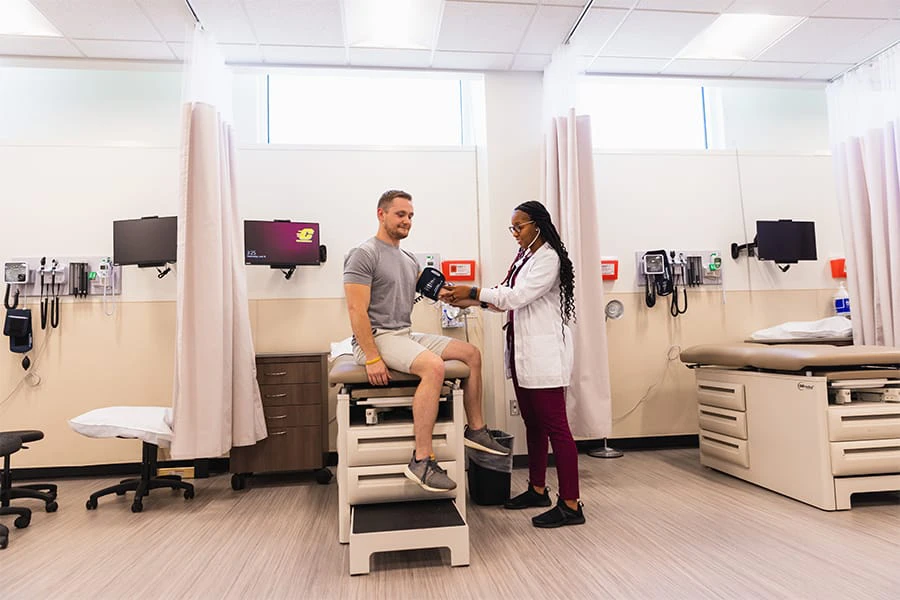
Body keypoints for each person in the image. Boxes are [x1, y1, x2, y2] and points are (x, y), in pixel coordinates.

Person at [343, 189, 510, 494]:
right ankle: (422, 459)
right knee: (434, 367)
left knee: (470, 354)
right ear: (381, 214)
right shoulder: (364, 254)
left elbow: (439, 291)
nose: (406, 221)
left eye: (410, 216)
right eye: (400, 214)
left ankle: (476, 429)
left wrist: (470, 296)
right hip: (378, 337)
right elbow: (356, 310)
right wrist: (371, 356)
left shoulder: (407, 259)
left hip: (403, 333)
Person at [441, 201, 584, 528]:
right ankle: (537, 489)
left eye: (519, 227)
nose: (515, 233)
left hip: (545, 356)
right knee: (532, 424)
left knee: (557, 429)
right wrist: (472, 299)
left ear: (537, 224)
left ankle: (572, 503)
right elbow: (505, 295)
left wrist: (475, 290)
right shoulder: (526, 258)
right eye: (513, 228)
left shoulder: (548, 259)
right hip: (523, 355)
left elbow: (517, 297)